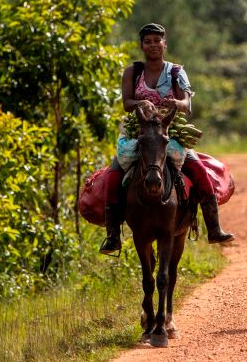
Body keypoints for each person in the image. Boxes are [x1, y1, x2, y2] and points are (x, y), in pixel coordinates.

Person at [99, 23, 235, 254]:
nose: (153, 45)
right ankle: (112, 235)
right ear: (142, 45)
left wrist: (177, 104)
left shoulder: (176, 72)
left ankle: (214, 228)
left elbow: (187, 104)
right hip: (139, 131)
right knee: (114, 174)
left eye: (157, 41)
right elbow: (126, 104)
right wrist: (140, 103)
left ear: (164, 44)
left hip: (169, 131)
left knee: (199, 172)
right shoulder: (132, 72)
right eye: (148, 41)